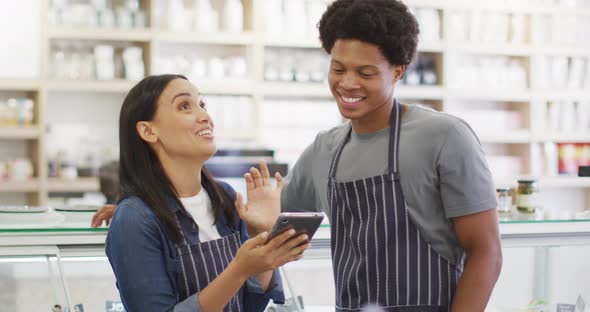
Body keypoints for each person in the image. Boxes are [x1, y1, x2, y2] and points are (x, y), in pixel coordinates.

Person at [94, 0, 503, 310]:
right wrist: (144, 202)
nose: (347, 84)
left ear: (397, 71)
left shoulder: (445, 136)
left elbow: (486, 252)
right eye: (338, 68)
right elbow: (260, 221)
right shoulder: (326, 149)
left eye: (365, 73)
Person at [105, 74, 310, 312]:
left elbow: (250, 306)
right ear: (148, 131)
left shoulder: (225, 197)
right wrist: (239, 270)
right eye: (184, 106)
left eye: (202, 105)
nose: (205, 117)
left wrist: (263, 238)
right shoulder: (134, 219)